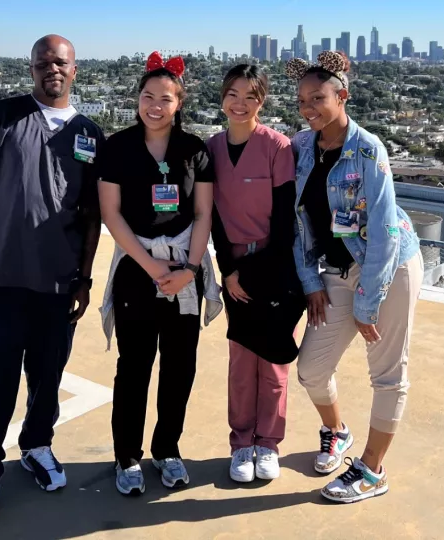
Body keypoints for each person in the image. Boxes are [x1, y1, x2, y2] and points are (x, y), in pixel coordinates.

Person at [0, 34, 104, 529]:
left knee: (48, 376)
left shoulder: (90, 134)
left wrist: (83, 278)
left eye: (60, 63)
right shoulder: (1, 116)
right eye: (42, 63)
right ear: (32, 68)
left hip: (59, 283)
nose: (51, 70)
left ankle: (37, 445)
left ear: (74, 69)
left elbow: (92, 214)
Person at [285, 51, 423, 503]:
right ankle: (335, 430)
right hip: (337, 269)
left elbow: (383, 228)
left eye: (318, 97)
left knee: (386, 373)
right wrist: (310, 282)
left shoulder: (368, 150)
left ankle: (372, 470)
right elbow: (299, 222)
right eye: (303, 99)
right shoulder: (302, 147)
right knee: (311, 368)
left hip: (389, 268)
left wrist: (367, 303)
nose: (308, 107)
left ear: (342, 95)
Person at [98, 51, 222, 496]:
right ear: (137, 100)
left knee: (179, 366)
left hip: (185, 271)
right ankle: (127, 456)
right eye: (148, 96)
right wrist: (152, 266)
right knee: (133, 367)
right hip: (138, 268)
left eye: (165, 98)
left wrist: (189, 268)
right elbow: (111, 214)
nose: (155, 105)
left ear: (179, 103)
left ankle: (167, 448)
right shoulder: (117, 148)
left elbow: (204, 212)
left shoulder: (195, 150)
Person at [206, 64, 306, 484]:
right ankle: (241, 442)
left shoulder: (277, 147)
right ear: (222, 97)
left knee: (273, 362)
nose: (240, 103)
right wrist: (228, 272)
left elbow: (284, 226)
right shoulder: (209, 149)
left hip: (273, 267)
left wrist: (244, 273)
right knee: (241, 360)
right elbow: (209, 216)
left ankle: (269, 444)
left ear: (261, 101)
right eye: (233, 94)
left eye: (250, 96)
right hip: (233, 268)